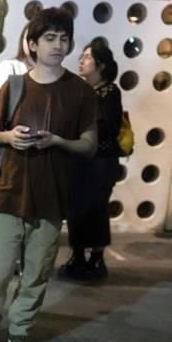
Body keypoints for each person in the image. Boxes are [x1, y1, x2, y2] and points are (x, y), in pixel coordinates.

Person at [0, 7, 97, 342]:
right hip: (7, 193)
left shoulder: (80, 93)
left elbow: (89, 144)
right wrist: (10, 136)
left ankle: (20, 329)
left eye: (63, 38)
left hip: (53, 198)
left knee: (36, 274)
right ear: (32, 44)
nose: (58, 45)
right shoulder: (14, 86)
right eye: (49, 38)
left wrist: (57, 141)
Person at [61, 38, 123, 280]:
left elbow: (108, 127)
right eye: (82, 56)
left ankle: (97, 258)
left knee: (96, 208)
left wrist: (79, 125)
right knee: (75, 208)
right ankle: (76, 255)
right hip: (78, 158)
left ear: (102, 65)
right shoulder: (80, 89)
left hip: (101, 161)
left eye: (87, 57)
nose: (81, 61)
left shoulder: (110, 92)